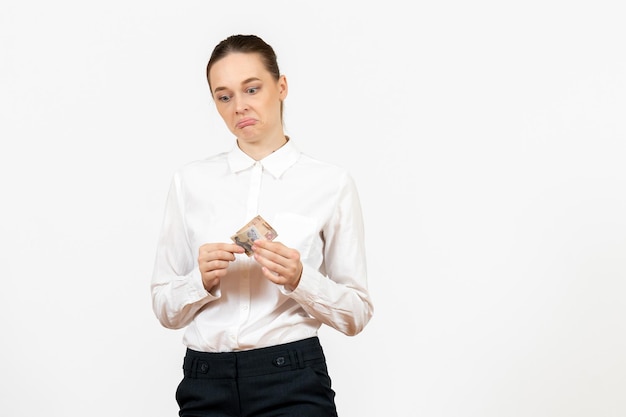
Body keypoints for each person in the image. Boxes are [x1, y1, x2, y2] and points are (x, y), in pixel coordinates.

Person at [151, 34, 374, 417]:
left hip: (292, 380)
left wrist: (300, 278)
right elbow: (165, 308)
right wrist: (198, 282)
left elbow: (356, 314)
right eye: (224, 96)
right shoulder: (189, 182)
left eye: (252, 88)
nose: (240, 107)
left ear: (281, 86)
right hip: (205, 382)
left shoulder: (330, 184)